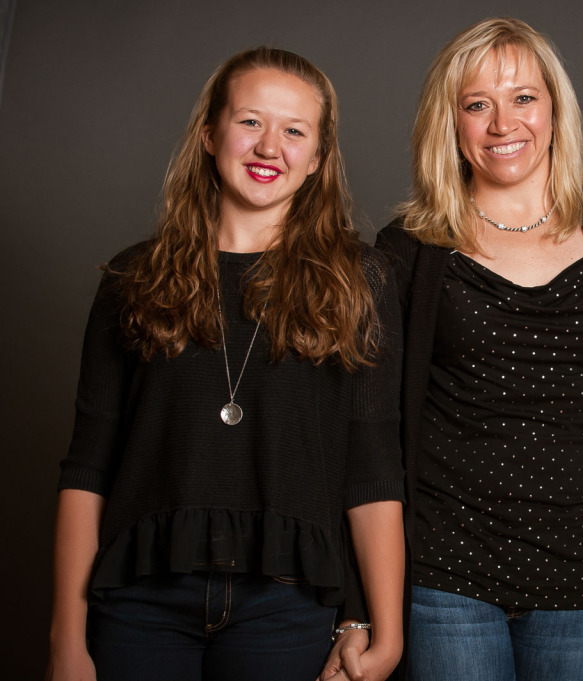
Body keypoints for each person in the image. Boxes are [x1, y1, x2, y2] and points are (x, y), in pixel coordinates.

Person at [46, 47, 404, 681]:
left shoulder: (359, 282)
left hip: (287, 607)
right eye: (250, 122)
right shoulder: (135, 276)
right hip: (140, 603)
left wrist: (386, 630)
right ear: (209, 135)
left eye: (295, 131)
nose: (271, 147)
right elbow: (88, 466)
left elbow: (371, 468)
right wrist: (65, 639)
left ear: (318, 159)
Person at [374, 17, 583, 681]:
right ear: (450, 121)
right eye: (477, 103)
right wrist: (359, 608)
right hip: (446, 576)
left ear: (554, 108)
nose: (501, 123)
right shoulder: (408, 248)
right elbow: (368, 438)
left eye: (523, 97)